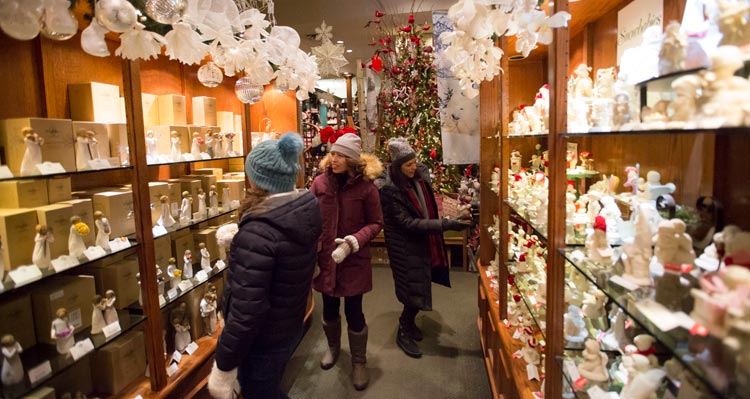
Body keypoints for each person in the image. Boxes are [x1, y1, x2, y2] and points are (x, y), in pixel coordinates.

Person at [208, 133, 322, 399]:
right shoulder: (303, 209)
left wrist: (223, 366)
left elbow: (247, 311)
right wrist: (244, 236)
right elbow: (285, 258)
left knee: (261, 392)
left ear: (257, 179)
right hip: (288, 323)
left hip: (263, 339)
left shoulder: (259, 233)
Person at [378, 138, 472, 358]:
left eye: (414, 163)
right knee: (412, 289)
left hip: (420, 243)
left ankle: (408, 324)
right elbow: (407, 224)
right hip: (404, 247)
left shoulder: (417, 179)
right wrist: (444, 225)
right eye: (408, 165)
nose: (414, 168)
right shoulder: (390, 191)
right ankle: (403, 330)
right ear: (397, 167)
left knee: (419, 284)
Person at [310, 132, 383, 391]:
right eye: (333, 154)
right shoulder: (319, 184)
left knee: (354, 311)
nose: (334, 159)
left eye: (340, 155)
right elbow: (310, 218)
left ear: (352, 160)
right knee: (329, 307)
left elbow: (376, 223)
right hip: (326, 259)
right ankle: (333, 348)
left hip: (353, 260)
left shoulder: (367, 189)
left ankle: (359, 361)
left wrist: (354, 240)